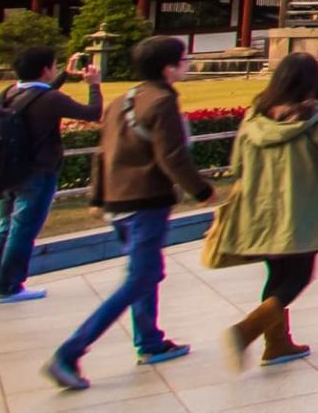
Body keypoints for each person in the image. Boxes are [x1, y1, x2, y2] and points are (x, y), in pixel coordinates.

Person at [47, 36, 213, 391]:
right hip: (145, 201)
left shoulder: (123, 99)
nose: (185, 65)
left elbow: (102, 152)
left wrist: (97, 196)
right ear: (169, 68)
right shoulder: (163, 100)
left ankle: (150, 340)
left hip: (118, 204)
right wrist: (201, 190)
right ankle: (70, 352)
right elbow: (172, 156)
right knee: (141, 277)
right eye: (182, 61)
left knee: (146, 273)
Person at [209, 53, 318, 371]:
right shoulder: (316, 116)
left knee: (277, 274)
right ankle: (246, 331)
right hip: (300, 210)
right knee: (300, 275)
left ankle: (277, 343)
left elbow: (237, 164)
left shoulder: (254, 116)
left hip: (259, 210)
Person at [0, 48, 103, 304]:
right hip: (38, 172)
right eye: (54, 66)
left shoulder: (9, 93)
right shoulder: (49, 99)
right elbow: (93, 113)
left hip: (9, 171)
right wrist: (94, 85)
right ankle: (9, 287)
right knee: (23, 230)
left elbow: (38, 97)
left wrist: (64, 77)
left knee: (5, 228)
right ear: (46, 69)